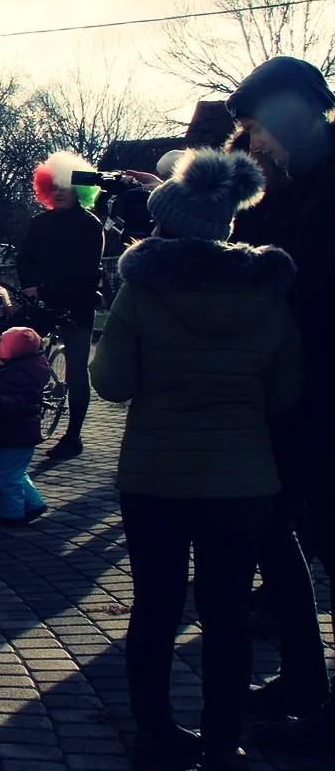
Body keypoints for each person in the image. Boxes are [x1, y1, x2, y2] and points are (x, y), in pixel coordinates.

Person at [90, 149, 300, 771]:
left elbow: (113, 383)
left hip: (155, 474)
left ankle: (154, 732)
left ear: (169, 223)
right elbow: (287, 391)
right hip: (241, 480)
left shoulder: (142, 291)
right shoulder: (268, 294)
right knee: (227, 613)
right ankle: (222, 739)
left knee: (155, 606)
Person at [218, 56, 335, 752]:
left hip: (321, 395)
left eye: (258, 127)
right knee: (282, 533)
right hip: (293, 398)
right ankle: (302, 678)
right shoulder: (293, 187)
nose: (252, 143)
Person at [18, 151, 105, 460]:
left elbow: (84, 270)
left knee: (77, 372)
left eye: (65, 185)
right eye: (53, 185)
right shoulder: (39, 222)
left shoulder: (90, 226)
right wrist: (30, 286)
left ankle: (73, 436)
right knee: (21, 360)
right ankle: (21, 425)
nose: (58, 191)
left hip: (77, 304)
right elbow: (24, 258)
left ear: (79, 190)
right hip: (41, 302)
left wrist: (45, 287)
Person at [0, 327, 50, 528]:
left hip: (13, 433)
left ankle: (11, 514)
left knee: (6, 475)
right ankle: (34, 503)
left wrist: (1, 401)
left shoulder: (15, 375)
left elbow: (20, 401)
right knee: (15, 472)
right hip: (22, 433)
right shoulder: (30, 369)